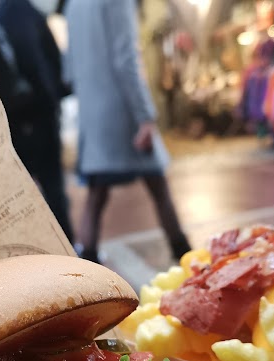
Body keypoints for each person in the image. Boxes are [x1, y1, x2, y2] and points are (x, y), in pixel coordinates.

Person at [64, 0, 191, 263]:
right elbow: (126, 58)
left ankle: (87, 265)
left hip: (93, 112)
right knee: (158, 185)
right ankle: (186, 256)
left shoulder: (73, 5)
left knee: (96, 194)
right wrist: (145, 115)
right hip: (122, 111)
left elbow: (70, 68)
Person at [0, 0, 73, 241]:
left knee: (12, 198)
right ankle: (69, 261)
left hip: (0, 122)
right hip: (37, 116)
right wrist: (52, 101)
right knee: (53, 190)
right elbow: (40, 60)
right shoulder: (19, 9)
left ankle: (28, 262)